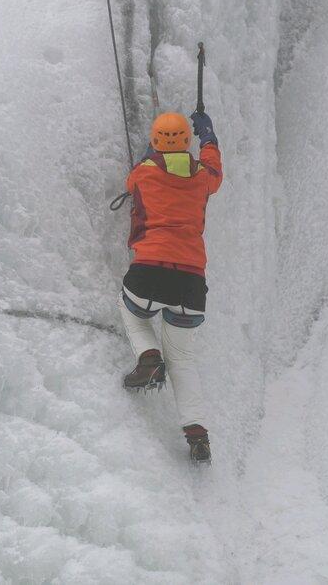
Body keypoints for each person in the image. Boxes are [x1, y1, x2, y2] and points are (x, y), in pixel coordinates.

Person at [118, 109, 221, 463]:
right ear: (187, 143)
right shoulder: (203, 176)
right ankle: (197, 434)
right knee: (183, 360)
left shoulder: (143, 174)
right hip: (191, 282)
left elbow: (138, 178)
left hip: (149, 271)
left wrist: (155, 154)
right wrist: (208, 136)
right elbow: (215, 170)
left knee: (131, 312)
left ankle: (148, 356)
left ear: (155, 142)